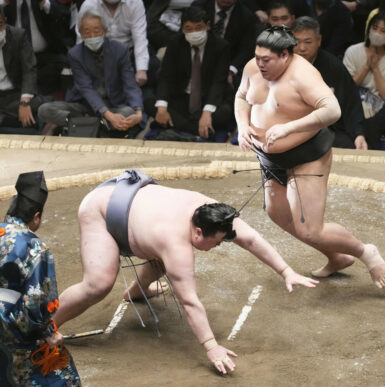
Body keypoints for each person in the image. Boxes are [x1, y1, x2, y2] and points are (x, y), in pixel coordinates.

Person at [52, 169, 319, 375]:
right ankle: (44, 329)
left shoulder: (213, 212)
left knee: (160, 259)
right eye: (215, 242)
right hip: (103, 209)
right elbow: (189, 301)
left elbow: (250, 238)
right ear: (198, 231)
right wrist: (211, 346)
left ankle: (137, 291)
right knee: (98, 283)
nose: (217, 247)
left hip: (134, 201)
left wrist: (286, 271)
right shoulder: (176, 245)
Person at [234, 26, 385, 290]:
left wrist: (288, 128)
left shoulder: (303, 75)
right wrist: (241, 126)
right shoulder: (253, 67)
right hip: (270, 158)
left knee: (310, 228)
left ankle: (366, 252)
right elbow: (241, 96)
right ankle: (337, 257)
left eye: (266, 60)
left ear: (285, 54)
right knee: (278, 214)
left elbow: (332, 110)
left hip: (306, 155)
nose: (259, 64)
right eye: (257, 57)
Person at [0, 171, 81, 386]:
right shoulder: (35, 248)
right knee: (63, 376)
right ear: (36, 217)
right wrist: (48, 332)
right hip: (13, 332)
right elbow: (36, 303)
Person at [38, 9, 143, 138]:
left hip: (113, 104)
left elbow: (130, 83)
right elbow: (86, 88)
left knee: (128, 112)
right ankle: (102, 125)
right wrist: (108, 116)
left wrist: (138, 112)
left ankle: (83, 126)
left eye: (97, 31)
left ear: (105, 31)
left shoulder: (120, 50)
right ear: (81, 34)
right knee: (44, 110)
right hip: (84, 105)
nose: (92, 36)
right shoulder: (75, 54)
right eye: (87, 32)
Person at [144, 6, 233, 142]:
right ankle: (196, 131)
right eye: (189, 29)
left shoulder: (221, 46)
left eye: (198, 27)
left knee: (227, 112)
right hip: (181, 99)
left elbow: (218, 82)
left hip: (207, 99)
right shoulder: (175, 43)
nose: (194, 32)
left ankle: (182, 130)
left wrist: (207, 113)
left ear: (208, 26)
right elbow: (166, 77)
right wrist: (162, 108)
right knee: (151, 104)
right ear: (183, 29)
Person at [291, 16, 367, 149]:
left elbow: (351, 103)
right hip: (290, 127)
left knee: (346, 146)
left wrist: (359, 134)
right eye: (296, 42)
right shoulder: (280, 65)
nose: (302, 48)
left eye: (308, 42)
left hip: (327, 129)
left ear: (319, 40)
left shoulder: (334, 67)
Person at [343, 12, 385, 150]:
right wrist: (366, 66)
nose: (377, 33)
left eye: (383, 31)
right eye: (374, 28)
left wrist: (375, 69)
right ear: (368, 29)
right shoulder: (353, 51)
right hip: (354, 103)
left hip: (380, 108)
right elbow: (347, 87)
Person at [76, 0, 150, 87]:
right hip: (99, 54)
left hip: (127, 53)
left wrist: (141, 70)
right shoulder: (89, 5)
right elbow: (81, 38)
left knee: (151, 66)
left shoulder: (135, 3)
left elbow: (140, 37)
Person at [3, 0, 67, 94]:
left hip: (44, 54)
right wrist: (4, 2)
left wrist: (43, 2)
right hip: (16, 57)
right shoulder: (8, 3)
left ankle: (30, 89)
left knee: (65, 63)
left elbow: (61, 14)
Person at [192, 0, 258, 89]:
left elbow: (246, 49)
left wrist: (231, 70)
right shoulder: (199, 7)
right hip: (197, 57)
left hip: (227, 63)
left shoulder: (247, 16)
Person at [0, 6, 43, 135]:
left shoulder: (18, 36)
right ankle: (9, 119)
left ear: (5, 21)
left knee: (36, 103)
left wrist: (24, 102)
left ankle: (4, 118)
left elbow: (29, 70)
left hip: (15, 94)